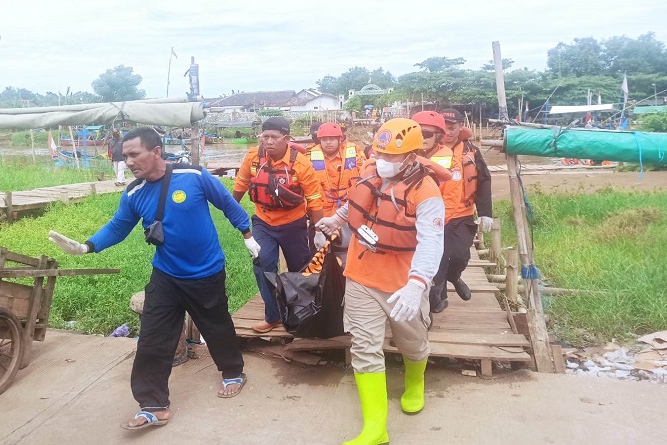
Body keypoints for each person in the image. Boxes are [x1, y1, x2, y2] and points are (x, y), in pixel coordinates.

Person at [48, 127, 261, 430]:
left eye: (134, 154)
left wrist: (247, 235)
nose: (129, 161)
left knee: (216, 325)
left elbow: (227, 203)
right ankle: (153, 405)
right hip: (166, 275)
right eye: (126, 156)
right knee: (152, 337)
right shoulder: (134, 192)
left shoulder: (195, 176)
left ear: (157, 151)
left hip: (206, 272)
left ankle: (232, 371)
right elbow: (118, 226)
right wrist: (87, 246)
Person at [316, 118, 444, 444]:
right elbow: (355, 202)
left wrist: (417, 285)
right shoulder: (373, 170)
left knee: (412, 344)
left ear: (413, 155)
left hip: (403, 285)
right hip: (360, 276)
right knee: (364, 348)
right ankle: (375, 429)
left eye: (391, 156)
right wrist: (334, 219)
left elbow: (432, 241)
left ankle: (415, 382)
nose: (383, 160)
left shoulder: (427, 191)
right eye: (380, 152)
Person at [232, 117, 324, 333]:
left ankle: (302, 314)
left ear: (287, 138)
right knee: (263, 264)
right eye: (265, 137)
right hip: (263, 221)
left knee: (300, 271)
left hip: (294, 224)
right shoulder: (254, 157)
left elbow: (314, 197)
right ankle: (272, 316)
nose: (269, 141)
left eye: (274, 137)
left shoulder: (301, 163)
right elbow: (241, 184)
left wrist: (319, 230)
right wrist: (230, 208)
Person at [428, 108, 493, 312]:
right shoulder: (429, 150)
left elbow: (483, 180)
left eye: (453, 127)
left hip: (463, 214)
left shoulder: (470, 151)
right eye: (444, 127)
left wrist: (485, 212)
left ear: (460, 127)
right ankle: (438, 298)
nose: (448, 132)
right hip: (437, 216)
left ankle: (454, 276)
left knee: (459, 255)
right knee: (438, 258)